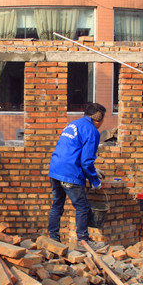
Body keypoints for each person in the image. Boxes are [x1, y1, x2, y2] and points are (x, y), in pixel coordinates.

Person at [47, 103, 107, 243]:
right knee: (83, 207)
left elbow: (72, 151)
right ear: (98, 120)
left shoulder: (73, 124)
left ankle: (53, 238)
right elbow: (86, 161)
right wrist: (95, 181)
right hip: (70, 173)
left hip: (55, 170)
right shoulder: (92, 131)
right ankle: (83, 240)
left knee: (57, 205)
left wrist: (94, 170)